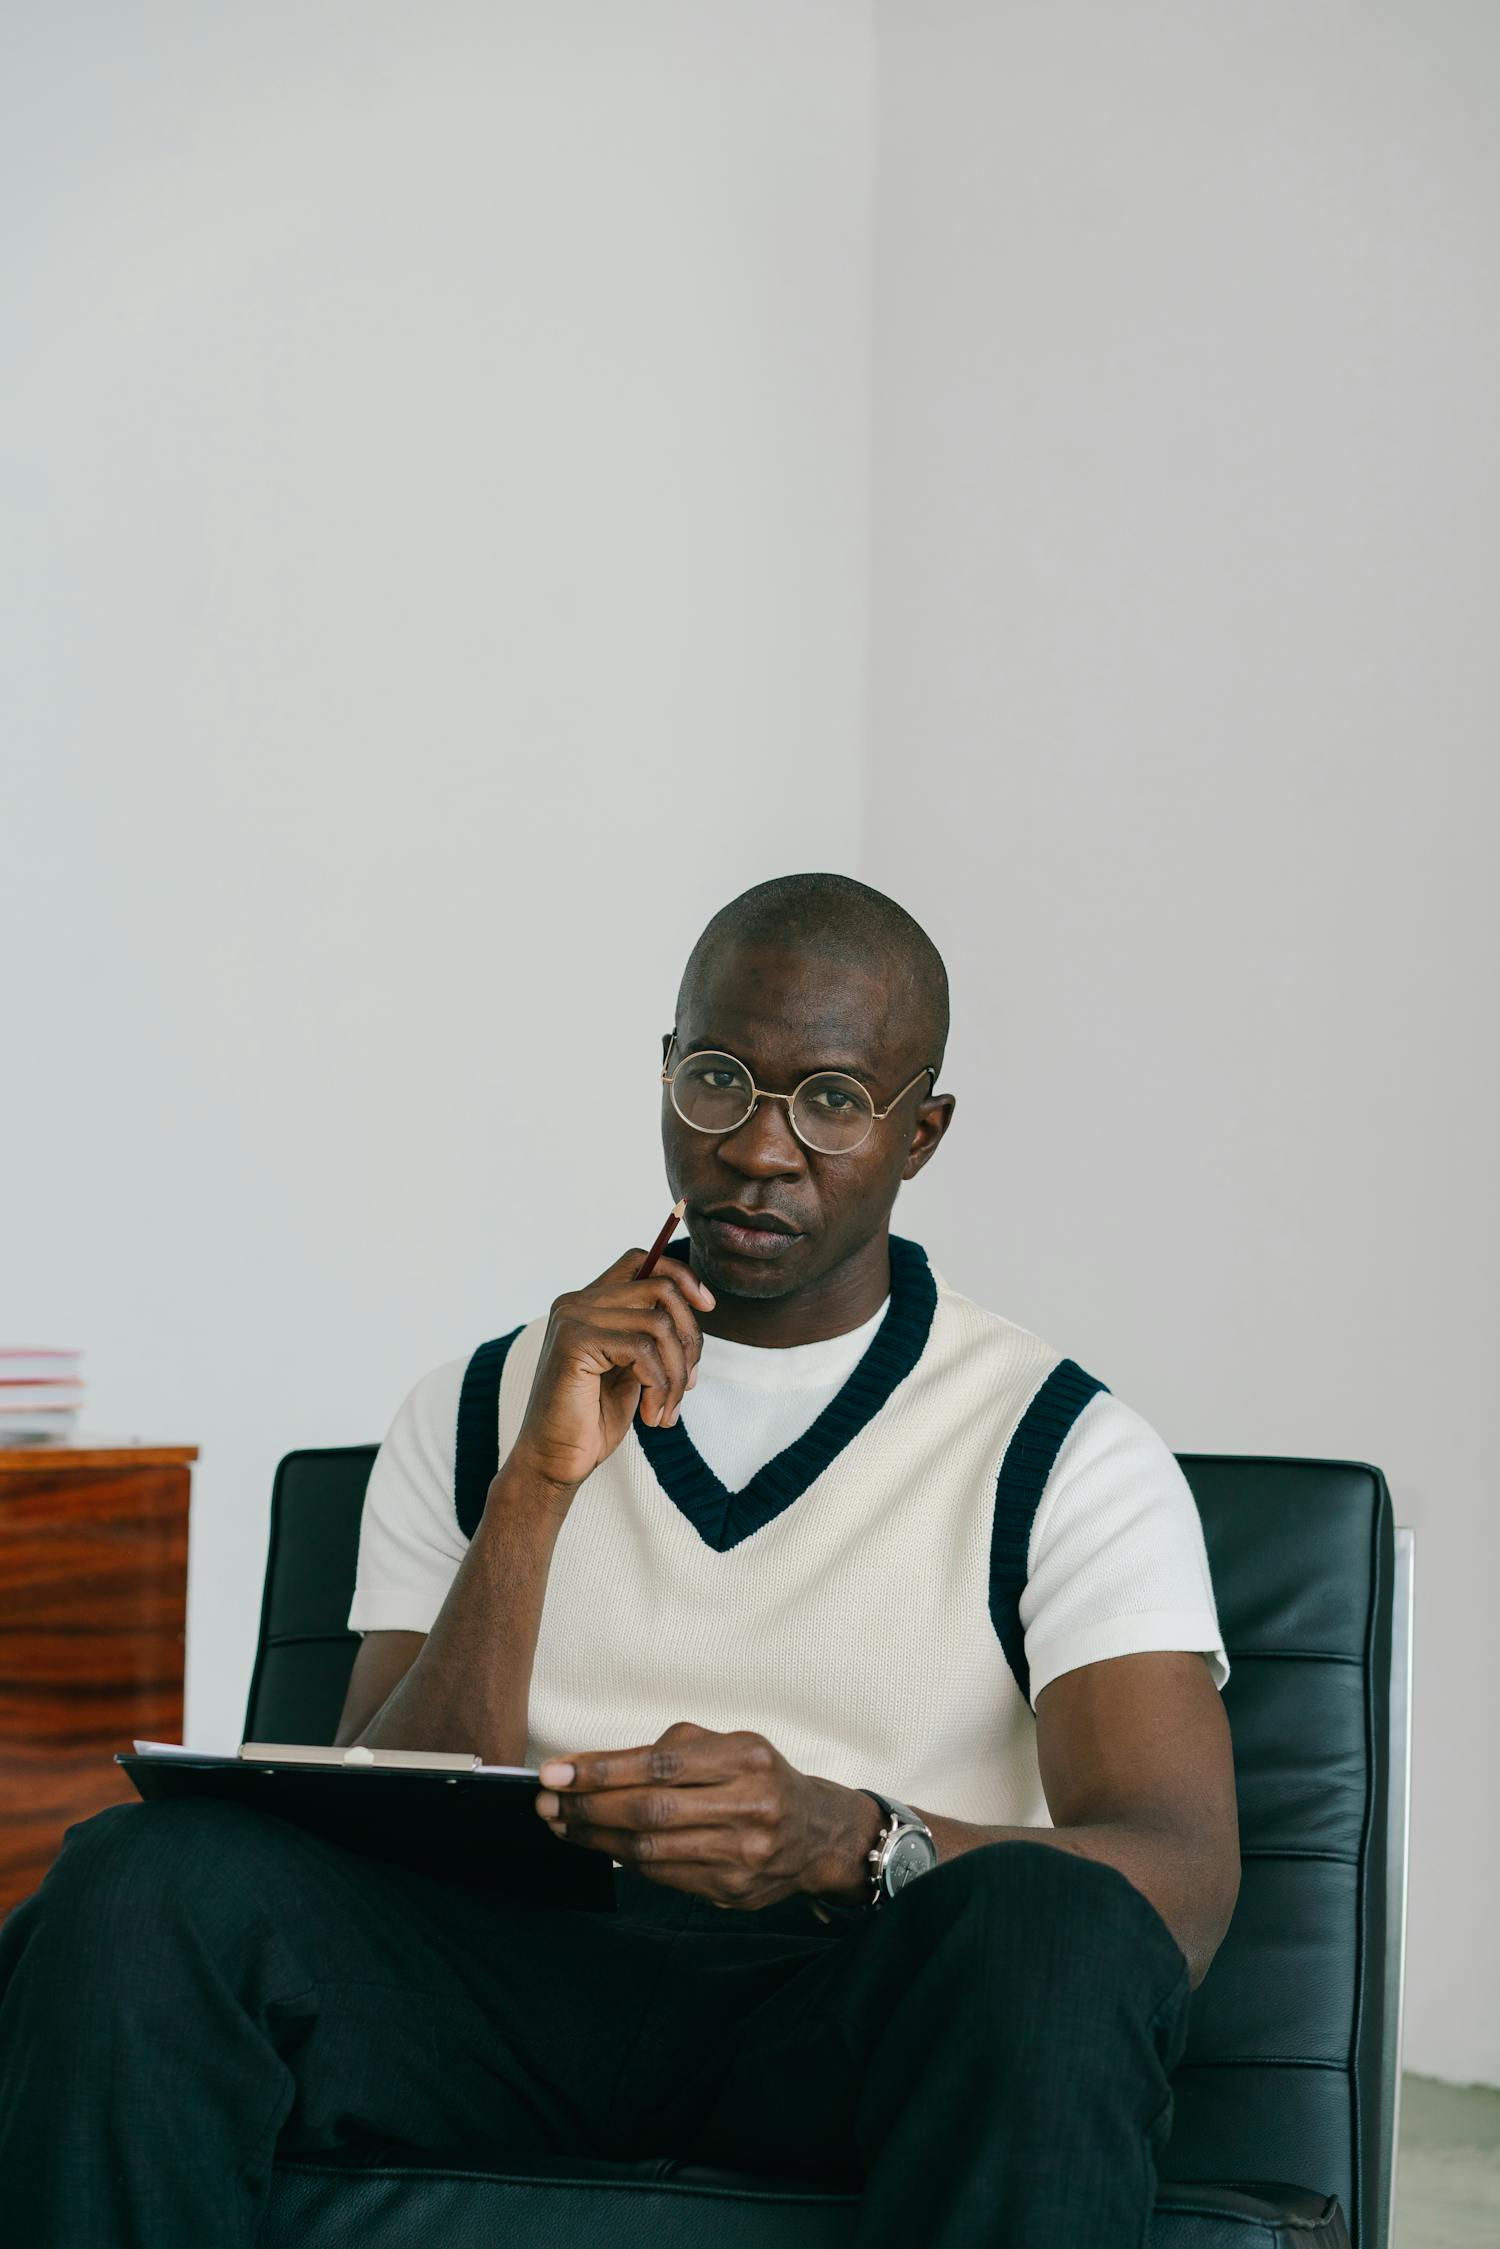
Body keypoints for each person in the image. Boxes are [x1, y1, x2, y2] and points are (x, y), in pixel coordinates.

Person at [0, 871, 1239, 2247]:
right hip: (502, 1999)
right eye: (719, 1080)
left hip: (836, 2015)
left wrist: (847, 1837)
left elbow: (1179, 1883)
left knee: (1056, 1934)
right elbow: (375, 1825)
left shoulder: (1060, 1443)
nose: (760, 1148)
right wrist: (533, 1487)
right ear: (665, 1076)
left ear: (921, 1132)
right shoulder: (477, 1406)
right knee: (138, 1880)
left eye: (831, 1099)